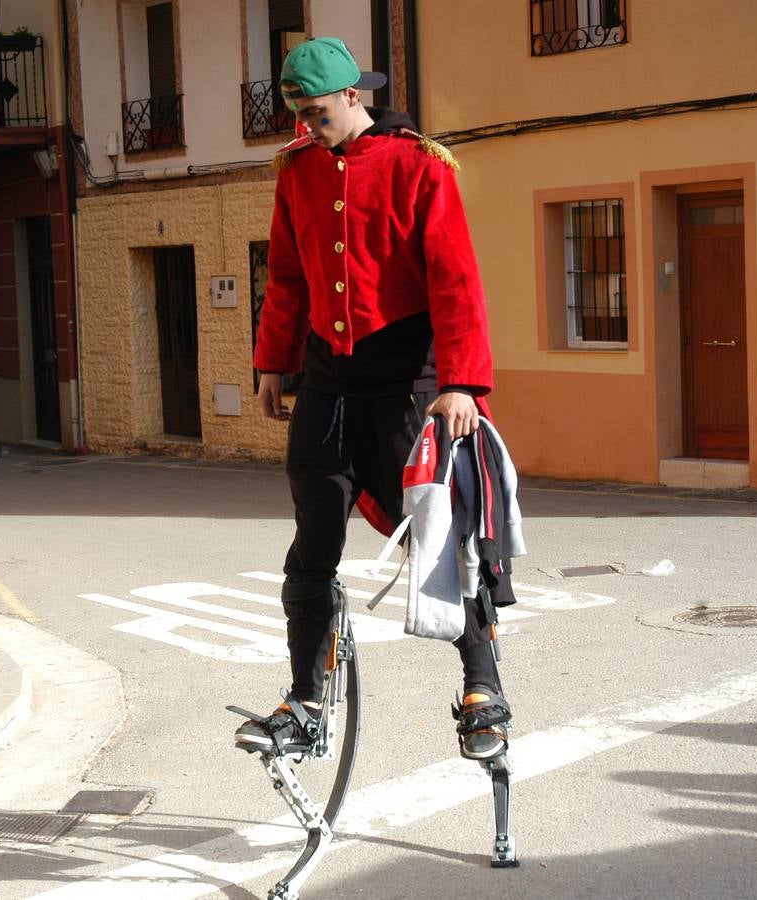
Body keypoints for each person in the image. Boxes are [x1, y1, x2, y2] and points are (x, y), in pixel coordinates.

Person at [234, 37, 512, 761]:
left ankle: (482, 687)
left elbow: (454, 278)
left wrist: (459, 383)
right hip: (328, 382)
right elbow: (289, 277)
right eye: (298, 113)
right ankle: (303, 700)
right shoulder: (295, 174)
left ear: (353, 96)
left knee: (440, 541)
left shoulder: (419, 164)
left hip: (405, 383)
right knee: (310, 548)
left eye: (318, 112)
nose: (307, 125)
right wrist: (273, 364)